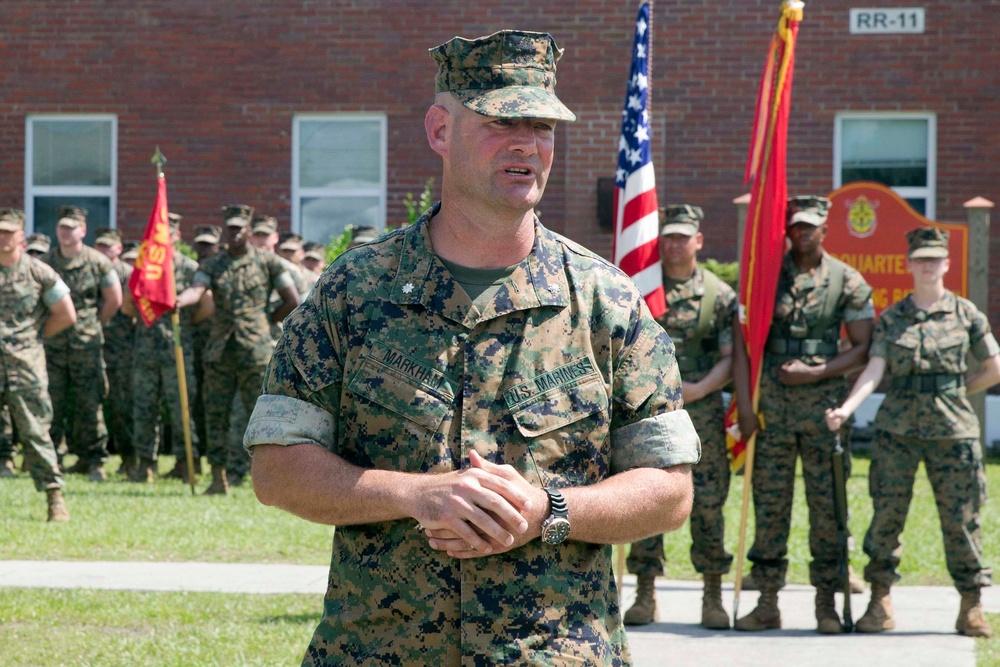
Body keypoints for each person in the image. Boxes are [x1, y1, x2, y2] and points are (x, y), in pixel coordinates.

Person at [245, 30, 700, 665]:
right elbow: (277, 467)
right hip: (381, 650)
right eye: (499, 121)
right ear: (440, 130)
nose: (526, 144)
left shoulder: (605, 300)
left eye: (541, 125)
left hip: (554, 650)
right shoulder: (354, 290)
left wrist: (549, 509)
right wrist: (415, 496)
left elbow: (670, 489)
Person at [825, 227, 998, 638]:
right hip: (897, 431)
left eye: (934, 259)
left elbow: (993, 367)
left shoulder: (967, 314)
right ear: (909, 264)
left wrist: (955, 390)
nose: (927, 266)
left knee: (962, 520)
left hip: (953, 433)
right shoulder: (894, 317)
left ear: (947, 264)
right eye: (920, 259)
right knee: (886, 517)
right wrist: (847, 409)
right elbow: (875, 369)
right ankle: (879, 602)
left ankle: (971, 606)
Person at [732, 195, 874, 634]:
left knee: (827, 509)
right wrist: (745, 407)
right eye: (796, 226)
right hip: (771, 409)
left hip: (823, 410)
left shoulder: (847, 280)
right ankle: (768, 601)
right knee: (770, 506)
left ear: (825, 231)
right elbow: (742, 341)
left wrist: (816, 371)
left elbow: (863, 348)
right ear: (787, 230)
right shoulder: (766, 277)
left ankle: (827, 606)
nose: (803, 232)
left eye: (810, 226)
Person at [622, 205, 736, 629]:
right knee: (648, 496)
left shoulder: (719, 295)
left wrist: (701, 388)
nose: (674, 244)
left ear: (698, 241)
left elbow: (731, 357)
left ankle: (712, 594)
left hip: (701, 411)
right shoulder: (640, 288)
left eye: (683, 237)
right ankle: (645, 592)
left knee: (708, 503)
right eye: (668, 237)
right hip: (652, 412)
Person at [174, 204, 299, 495]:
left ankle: (261, 477)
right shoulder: (213, 264)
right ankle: (218, 477)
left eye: (238, 228)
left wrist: (265, 319)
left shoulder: (268, 262)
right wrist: (180, 299)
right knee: (216, 412)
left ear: (248, 229)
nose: (233, 234)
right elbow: (198, 288)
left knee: (259, 416)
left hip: (255, 350)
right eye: (229, 228)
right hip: (220, 350)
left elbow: (291, 300)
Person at [0, 208, 76, 520]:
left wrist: (31, 338)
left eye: (8, 232)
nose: (3, 237)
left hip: (24, 366)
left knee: (35, 432)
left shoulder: (39, 272)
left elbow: (66, 314)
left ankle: (54, 499)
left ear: (21, 235)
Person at [42, 206, 123, 482]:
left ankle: (94, 461)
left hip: (86, 346)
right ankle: (51, 459)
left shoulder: (98, 261)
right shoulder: (47, 262)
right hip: (53, 346)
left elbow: (114, 299)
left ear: (83, 230)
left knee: (90, 403)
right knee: (52, 402)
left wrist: (92, 324)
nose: (66, 232)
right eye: (62, 227)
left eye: (72, 228)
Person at [122, 214, 202, 483]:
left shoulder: (190, 268)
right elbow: (126, 303)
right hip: (146, 349)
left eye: (169, 233)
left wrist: (184, 316)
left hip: (178, 348)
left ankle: (186, 463)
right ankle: (144, 464)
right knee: (144, 408)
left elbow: (206, 306)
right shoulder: (145, 266)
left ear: (177, 236)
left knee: (182, 409)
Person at [94, 227, 137, 475]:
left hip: (123, 350)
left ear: (119, 248)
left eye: (109, 246)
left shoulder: (129, 274)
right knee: (92, 402)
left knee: (123, 405)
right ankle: (91, 455)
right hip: (92, 346)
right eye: (100, 246)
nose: (104, 250)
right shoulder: (92, 270)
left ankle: (129, 458)